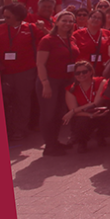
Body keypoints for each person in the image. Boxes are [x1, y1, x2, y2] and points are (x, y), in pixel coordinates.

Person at [36, 11, 78, 156]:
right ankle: (49, 145)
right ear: (57, 22)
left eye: (70, 21)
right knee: (49, 113)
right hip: (51, 81)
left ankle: (55, 142)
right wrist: (45, 83)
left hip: (66, 81)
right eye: (64, 21)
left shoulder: (71, 39)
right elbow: (40, 64)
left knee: (59, 112)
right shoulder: (47, 40)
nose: (67, 24)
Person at [0, 3, 41, 142]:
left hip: (25, 72)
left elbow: (48, 40)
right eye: (4, 16)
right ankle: (8, 129)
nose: (5, 19)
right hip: (5, 72)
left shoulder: (31, 28)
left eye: (8, 17)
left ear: (17, 17)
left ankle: (20, 129)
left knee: (22, 101)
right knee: (7, 102)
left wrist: (44, 28)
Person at [61, 60, 108, 153]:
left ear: (91, 72)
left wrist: (73, 111)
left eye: (84, 71)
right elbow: (75, 112)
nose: (81, 75)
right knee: (81, 121)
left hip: (101, 111)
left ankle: (100, 135)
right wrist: (90, 115)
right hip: (86, 115)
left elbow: (97, 103)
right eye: (78, 73)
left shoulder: (101, 81)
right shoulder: (71, 89)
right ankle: (82, 142)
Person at [73, 9, 110, 76]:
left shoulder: (108, 34)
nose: (96, 20)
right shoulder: (77, 34)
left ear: (102, 22)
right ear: (88, 19)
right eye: (93, 17)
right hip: (83, 73)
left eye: (99, 18)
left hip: (102, 72)